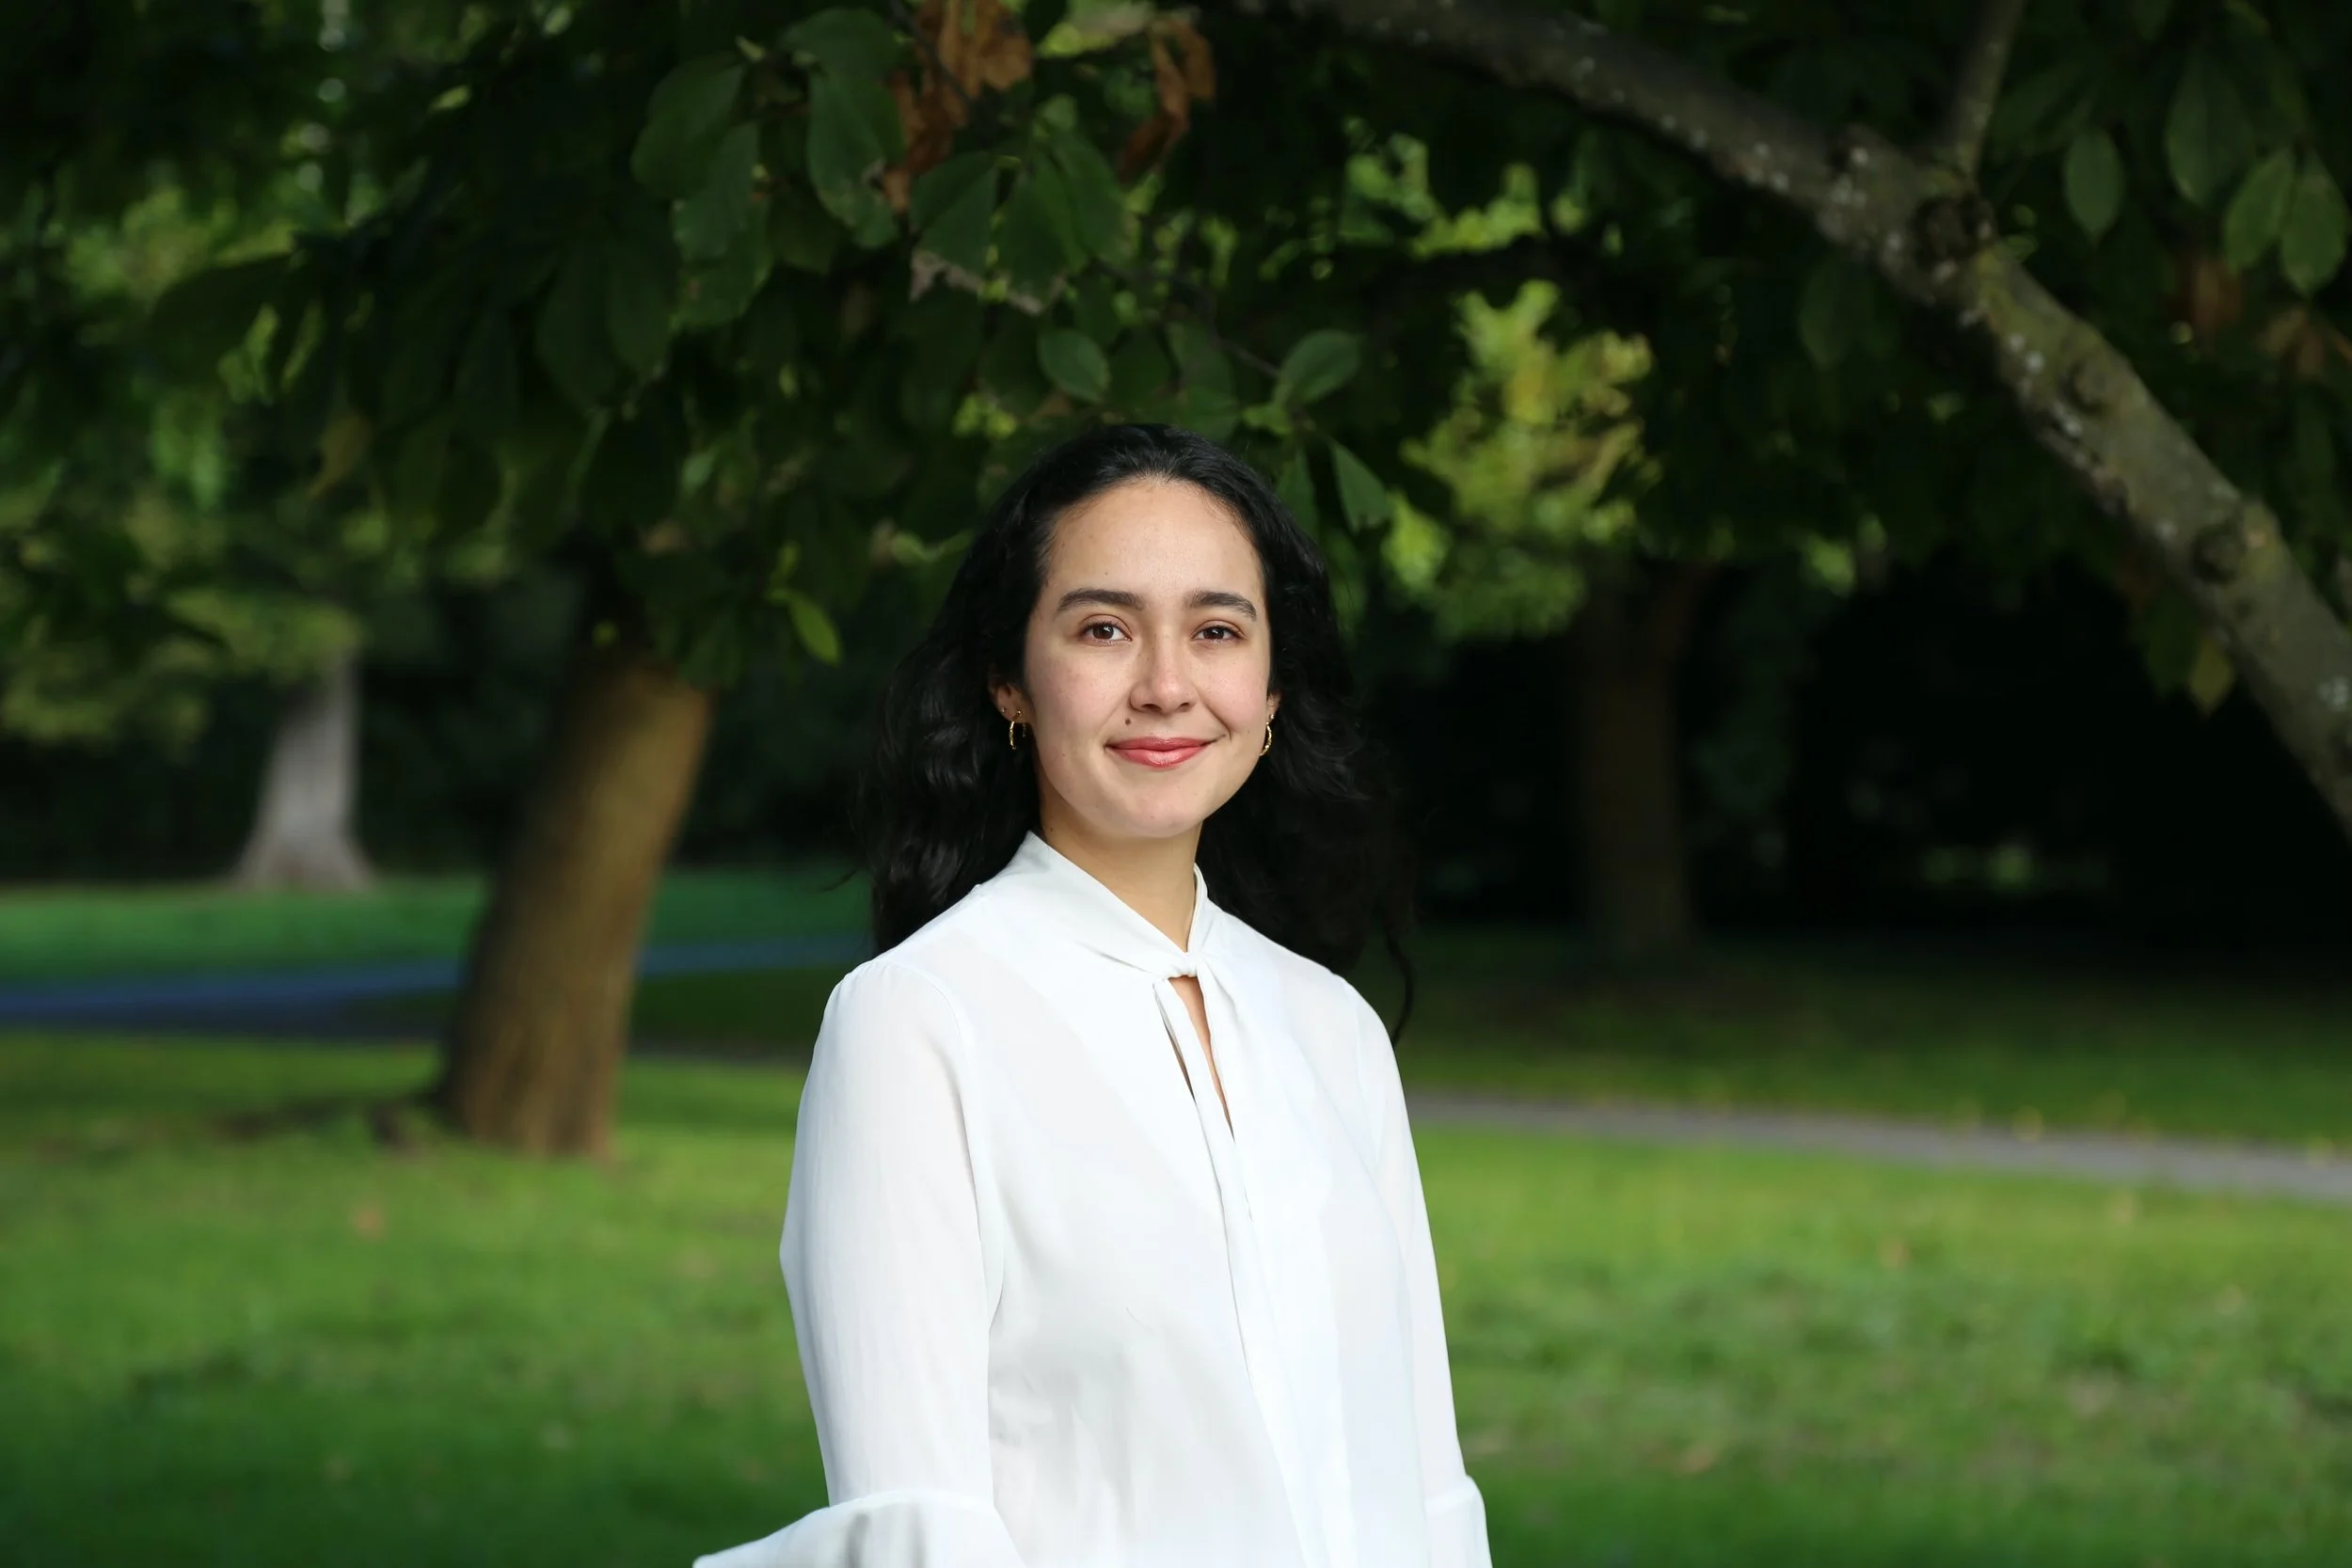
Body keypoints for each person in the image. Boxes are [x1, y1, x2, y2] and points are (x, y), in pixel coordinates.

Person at [695, 424, 1489, 1568]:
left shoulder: (1335, 1031)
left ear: (1269, 693)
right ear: (1010, 679)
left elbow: (1425, 1499)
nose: (1166, 684)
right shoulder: (916, 1023)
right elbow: (921, 1526)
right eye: (1104, 628)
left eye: (1217, 630)